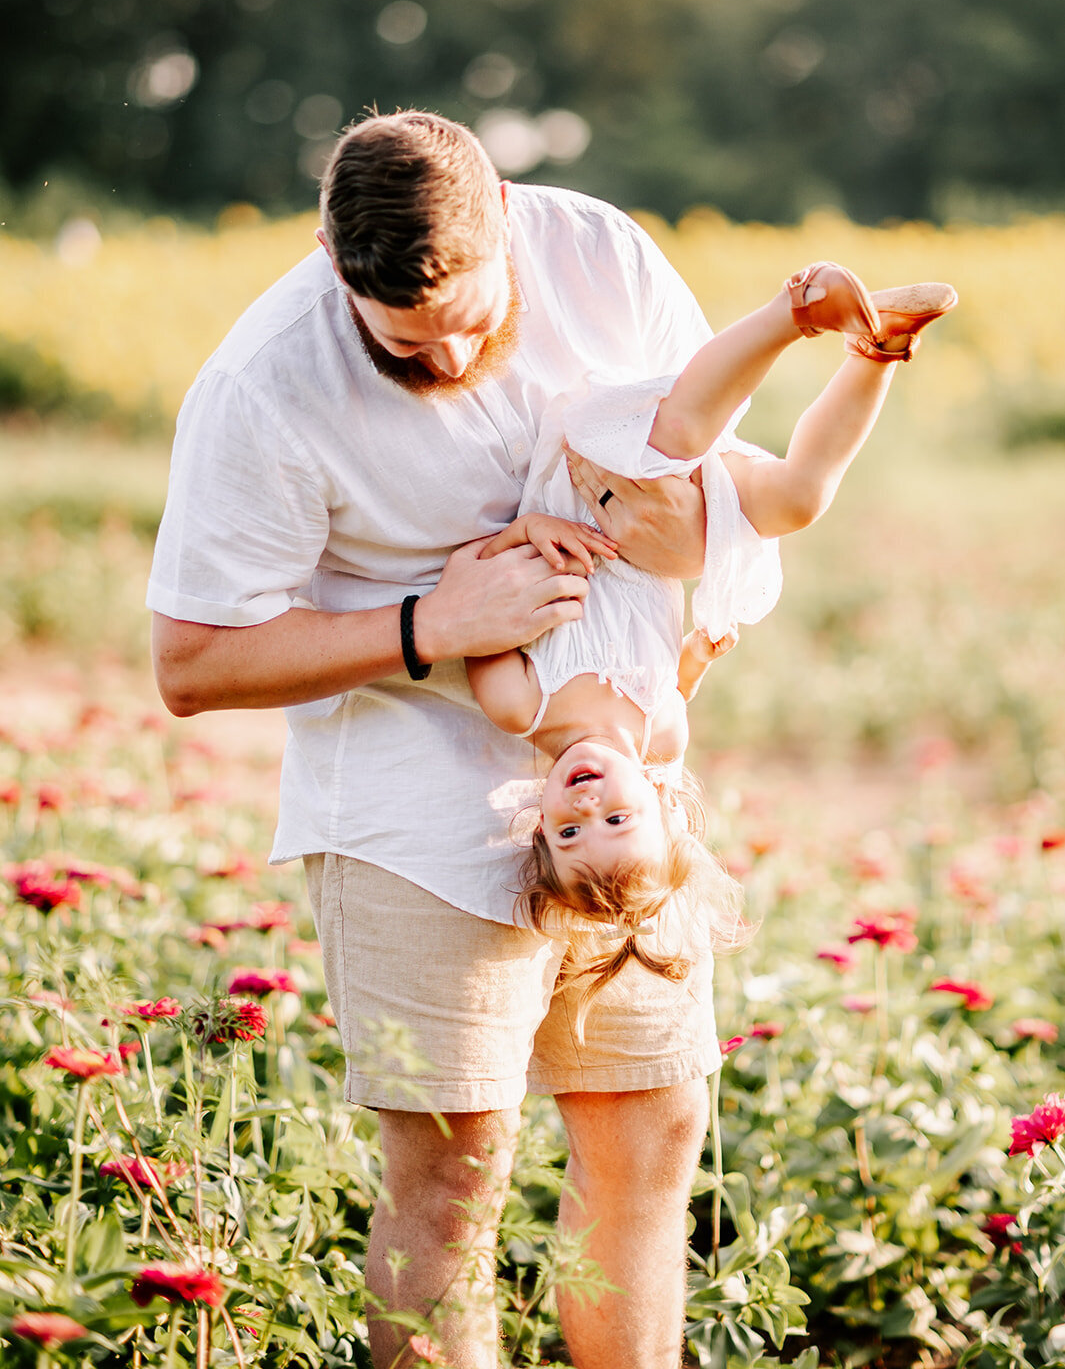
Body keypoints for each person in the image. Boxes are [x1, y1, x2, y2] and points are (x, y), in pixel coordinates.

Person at [147, 109, 950, 1369]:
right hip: (412, 807)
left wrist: (681, 558)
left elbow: (714, 477)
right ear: (327, 254)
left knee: (653, 1129)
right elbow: (189, 662)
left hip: (621, 796)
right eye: (406, 341)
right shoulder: (264, 383)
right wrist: (435, 620)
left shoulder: (601, 253)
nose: (453, 354)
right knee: (455, 1175)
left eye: (472, 315)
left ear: (508, 215)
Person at [465, 262, 957, 1023]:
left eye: (568, 830)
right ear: (661, 805)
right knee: (795, 500)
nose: (588, 802)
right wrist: (697, 650)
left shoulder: (518, 706)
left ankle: (790, 309)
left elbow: (470, 601)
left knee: (675, 439)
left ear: (538, 825)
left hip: (579, 486)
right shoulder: (659, 733)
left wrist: (527, 532)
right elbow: (677, 685)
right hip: (668, 523)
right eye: (615, 820)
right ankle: (876, 349)